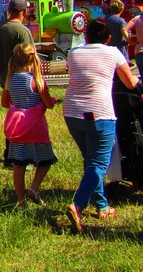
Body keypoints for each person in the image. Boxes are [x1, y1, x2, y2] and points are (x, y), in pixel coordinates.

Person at [63, 18, 143, 234]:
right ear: (108, 38)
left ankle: (102, 206)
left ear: (86, 36)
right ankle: (77, 205)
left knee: (91, 161)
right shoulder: (113, 53)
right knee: (99, 163)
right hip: (99, 112)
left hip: (71, 112)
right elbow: (129, 82)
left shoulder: (74, 53)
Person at [1, 43, 58, 210]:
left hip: (18, 128)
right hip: (36, 128)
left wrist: (19, 104)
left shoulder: (10, 80)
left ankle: (21, 201)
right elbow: (48, 104)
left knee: (19, 165)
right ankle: (34, 189)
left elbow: (5, 103)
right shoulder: (37, 80)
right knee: (45, 160)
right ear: (34, 60)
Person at [0, 0, 35, 166]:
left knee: (14, 115)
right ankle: (17, 154)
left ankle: (10, 152)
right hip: (22, 80)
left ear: (9, 10)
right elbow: (30, 57)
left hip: (5, 78)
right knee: (25, 118)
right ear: (24, 12)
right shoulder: (23, 31)